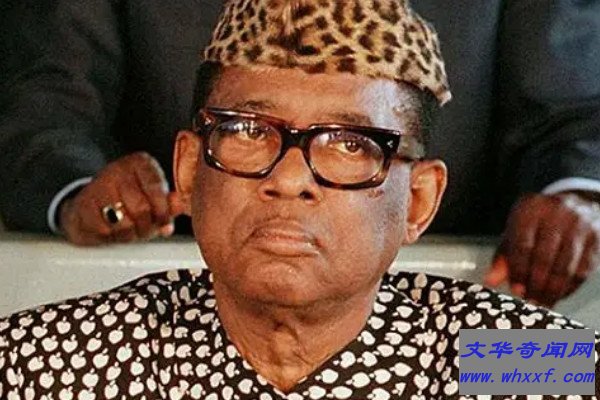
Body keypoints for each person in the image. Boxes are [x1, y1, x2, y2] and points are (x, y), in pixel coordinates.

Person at [1, 1, 599, 398]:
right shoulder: (63, 357)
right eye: (247, 131)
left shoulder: (491, 353)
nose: (290, 180)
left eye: (349, 144)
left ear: (418, 200)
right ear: (188, 169)